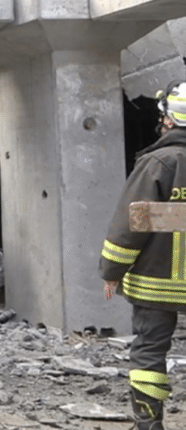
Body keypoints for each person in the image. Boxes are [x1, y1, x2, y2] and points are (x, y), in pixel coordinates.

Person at [100, 81, 186, 430]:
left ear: (167, 119)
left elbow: (129, 225)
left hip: (158, 282)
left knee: (149, 352)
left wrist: (111, 270)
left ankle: (149, 426)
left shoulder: (159, 163)